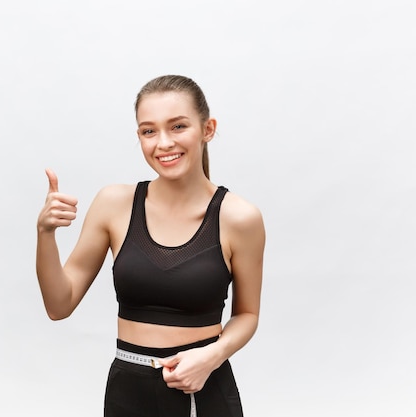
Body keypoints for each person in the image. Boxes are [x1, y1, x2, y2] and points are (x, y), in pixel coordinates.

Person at [36, 74, 266, 417]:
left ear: (208, 129)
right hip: (127, 394)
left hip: (202, 391)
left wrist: (212, 356)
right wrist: (45, 233)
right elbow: (59, 304)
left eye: (178, 126)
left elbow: (247, 315)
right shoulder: (113, 204)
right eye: (149, 131)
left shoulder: (239, 218)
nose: (163, 143)